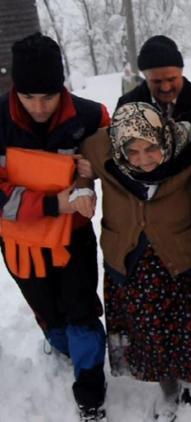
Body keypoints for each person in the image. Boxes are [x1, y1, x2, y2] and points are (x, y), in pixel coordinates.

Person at [80, 102, 191, 421]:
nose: (143, 160)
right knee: (149, 335)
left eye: (151, 148)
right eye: (133, 152)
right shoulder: (99, 147)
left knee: (184, 331)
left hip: (180, 258)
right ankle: (168, 390)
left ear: (163, 138)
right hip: (130, 263)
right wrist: (81, 187)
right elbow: (80, 165)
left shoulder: (190, 147)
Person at [0, 33, 108, 421]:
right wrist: (52, 202)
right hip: (19, 243)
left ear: (61, 84)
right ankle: (60, 343)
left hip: (73, 237)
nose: (40, 107)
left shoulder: (91, 116)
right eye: (30, 98)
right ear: (16, 88)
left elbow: (116, 163)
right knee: (48, 311)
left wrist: (91, 173)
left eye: (48, 96)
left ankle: (91, 392)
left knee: (81, 311)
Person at [116, 35, 191, 353]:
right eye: (157, 81)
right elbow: (127, 162)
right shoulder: (129, 105)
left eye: (172, 78)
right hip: (161, 208)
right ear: (145, 77)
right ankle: (182, 335)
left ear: (182, 71)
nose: (166, 86)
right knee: (177, 274)